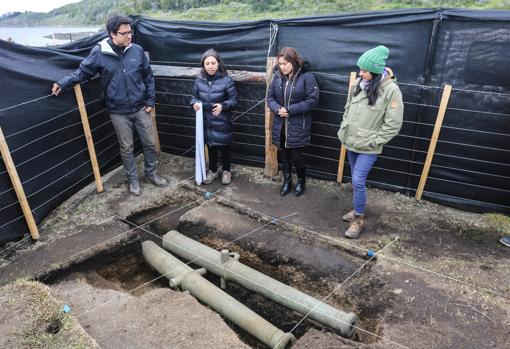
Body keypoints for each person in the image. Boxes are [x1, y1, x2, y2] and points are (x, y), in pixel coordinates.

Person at [51, 15, 168, 196]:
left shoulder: (137, 50)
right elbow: (82, 72)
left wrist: (150, 101)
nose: (129, 36)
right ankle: (133, 180)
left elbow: (148, 77)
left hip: (140, 108)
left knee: (150, 143)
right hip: (118, 111)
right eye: (125, 33)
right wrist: (63, 83)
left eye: (131, 32)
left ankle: (151, 173)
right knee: (127, 147)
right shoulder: (99, 52)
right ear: (113, 34)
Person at [338, 45, 403, 238]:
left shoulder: (391, 90)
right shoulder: (358, 85)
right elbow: (348, 108)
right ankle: (357, 209)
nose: (360, 73)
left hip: (369, 146)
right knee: (355, 179)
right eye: (360, 69)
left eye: (365, 70)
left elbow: (394, 124)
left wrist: (375, 141)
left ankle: (358, 219)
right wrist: (344, 126)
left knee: (358, 180)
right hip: (351, 141)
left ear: (375, 71)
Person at [267, 47, 319, 197]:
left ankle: (301, 181)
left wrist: (289, 109)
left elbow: (312, 100)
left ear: (293, 61)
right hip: (280, 124)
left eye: (285, 64)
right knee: (284, 156)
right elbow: (270, 98)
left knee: (296, 157)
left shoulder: (306, 77)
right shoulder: (277, 76)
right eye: (280, 64)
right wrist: (278, 109)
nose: (282, 67)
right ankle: (287, 181)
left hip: (297, 124)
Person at [191, 49, 238, 185]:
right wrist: (194, 104)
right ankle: (212, 170)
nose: (210, 66)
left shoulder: (226, 80)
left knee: (224, 147)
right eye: (207, 63)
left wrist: (223, 106)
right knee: (210, 146)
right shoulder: (199, 81)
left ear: (218, 63)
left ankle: (226, 171)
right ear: (203, 65)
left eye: (213, 63)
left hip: (222, 121)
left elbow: (234, 101)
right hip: (206, 122)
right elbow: (194, 97)